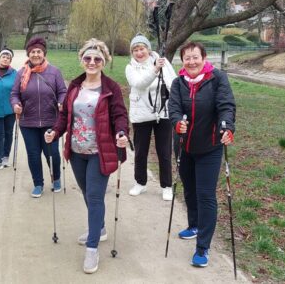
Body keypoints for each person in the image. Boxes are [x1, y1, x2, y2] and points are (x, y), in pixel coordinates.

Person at [45, 38, 129, 274]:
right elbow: (64, 116)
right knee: (87, 193)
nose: (92, 62)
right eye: (88, 58)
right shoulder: (74, 86)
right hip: (76, 151)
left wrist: (122, 133)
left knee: (94, 196)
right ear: (82, 60)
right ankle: (99, 228)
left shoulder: (110, 88)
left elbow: (120, 116)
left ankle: (92, 247)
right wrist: (54, 130)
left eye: (97, 59)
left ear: (104, 61)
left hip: (99, 152)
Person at [168, 42, 236, 268]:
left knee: (205, 195)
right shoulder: (178, 83)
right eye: (187, 58)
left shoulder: (217, 78)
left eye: (195, 57)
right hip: (184, 146)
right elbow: (174, 108)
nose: (192, 62)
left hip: (210, 146)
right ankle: (194, 225)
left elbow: (226, 105)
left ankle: (203, 246)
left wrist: (227, 127)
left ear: (204, 58)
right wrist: (178, 123)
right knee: (189, 189)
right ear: (183, 61)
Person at [10, 36, 67, 197]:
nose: (36, 54)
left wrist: (62, 101)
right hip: (28, 121)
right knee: (33, 154)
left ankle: (55, 178)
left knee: (52, 153)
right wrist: (15, 104)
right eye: (33, 52)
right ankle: (38, 183)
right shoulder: (21, 73)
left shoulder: (54, 72)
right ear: (29, 54)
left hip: (51, 120)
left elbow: (62, 91)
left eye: (39, 51)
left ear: (44, 53)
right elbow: (14, 94)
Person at [125, 33, 178, 200]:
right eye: (135, 50)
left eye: (142, 49)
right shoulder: (130, 67)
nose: (139, 53)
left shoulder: (162, 61)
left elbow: (173, 82)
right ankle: (140, 183)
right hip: (141, 114)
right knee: (141, 151)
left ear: (148, 49)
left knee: (164, 151)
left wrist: (177, 104)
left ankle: (167, 186)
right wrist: (155, 69)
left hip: (163, 112)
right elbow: (139, 84)